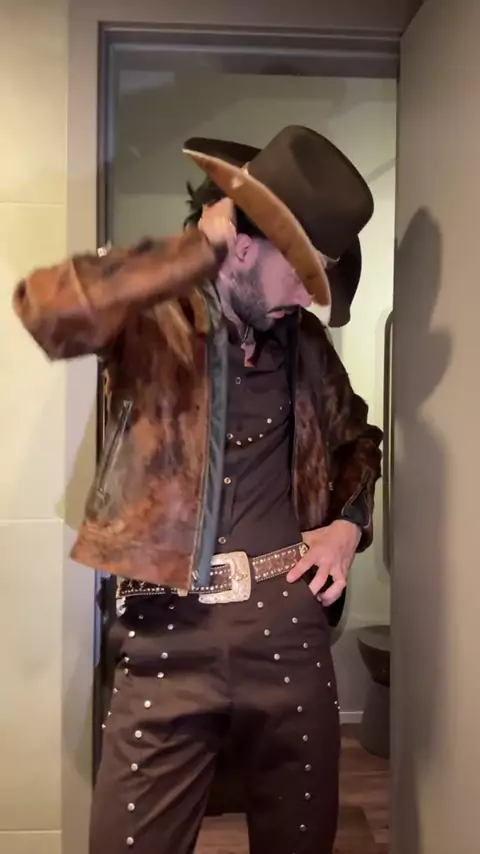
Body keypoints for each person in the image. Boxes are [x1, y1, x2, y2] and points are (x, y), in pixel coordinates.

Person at [13, 126, 382, 854]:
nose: (309, 300)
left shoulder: (304, 347)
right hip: (164, 642)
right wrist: (194, 249)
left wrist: (348, 526)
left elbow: (359, 442)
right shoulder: (155, 324)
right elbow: (46, 312)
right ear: (240, 247)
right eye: (300, 274)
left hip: (288, 637)